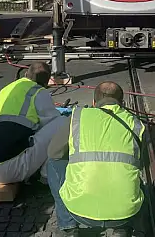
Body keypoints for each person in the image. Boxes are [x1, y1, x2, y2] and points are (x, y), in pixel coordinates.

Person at [47, 82, 146, 237]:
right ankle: (126, 227)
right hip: (125, 212)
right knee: (136, 176)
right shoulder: (136, 124)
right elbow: (142, 163)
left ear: (94, 102)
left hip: (78, 209)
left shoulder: (77, 117)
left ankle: (69, 226)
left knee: (53, 162)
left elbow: (54, 152)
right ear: (123, 103)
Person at [0, 62, 68, 184]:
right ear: (46, 82)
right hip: (12, 169)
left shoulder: (3, 92)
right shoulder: (38, 91)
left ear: (26, 74)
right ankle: (46, 175)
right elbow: (52, 126)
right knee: (62, 122)